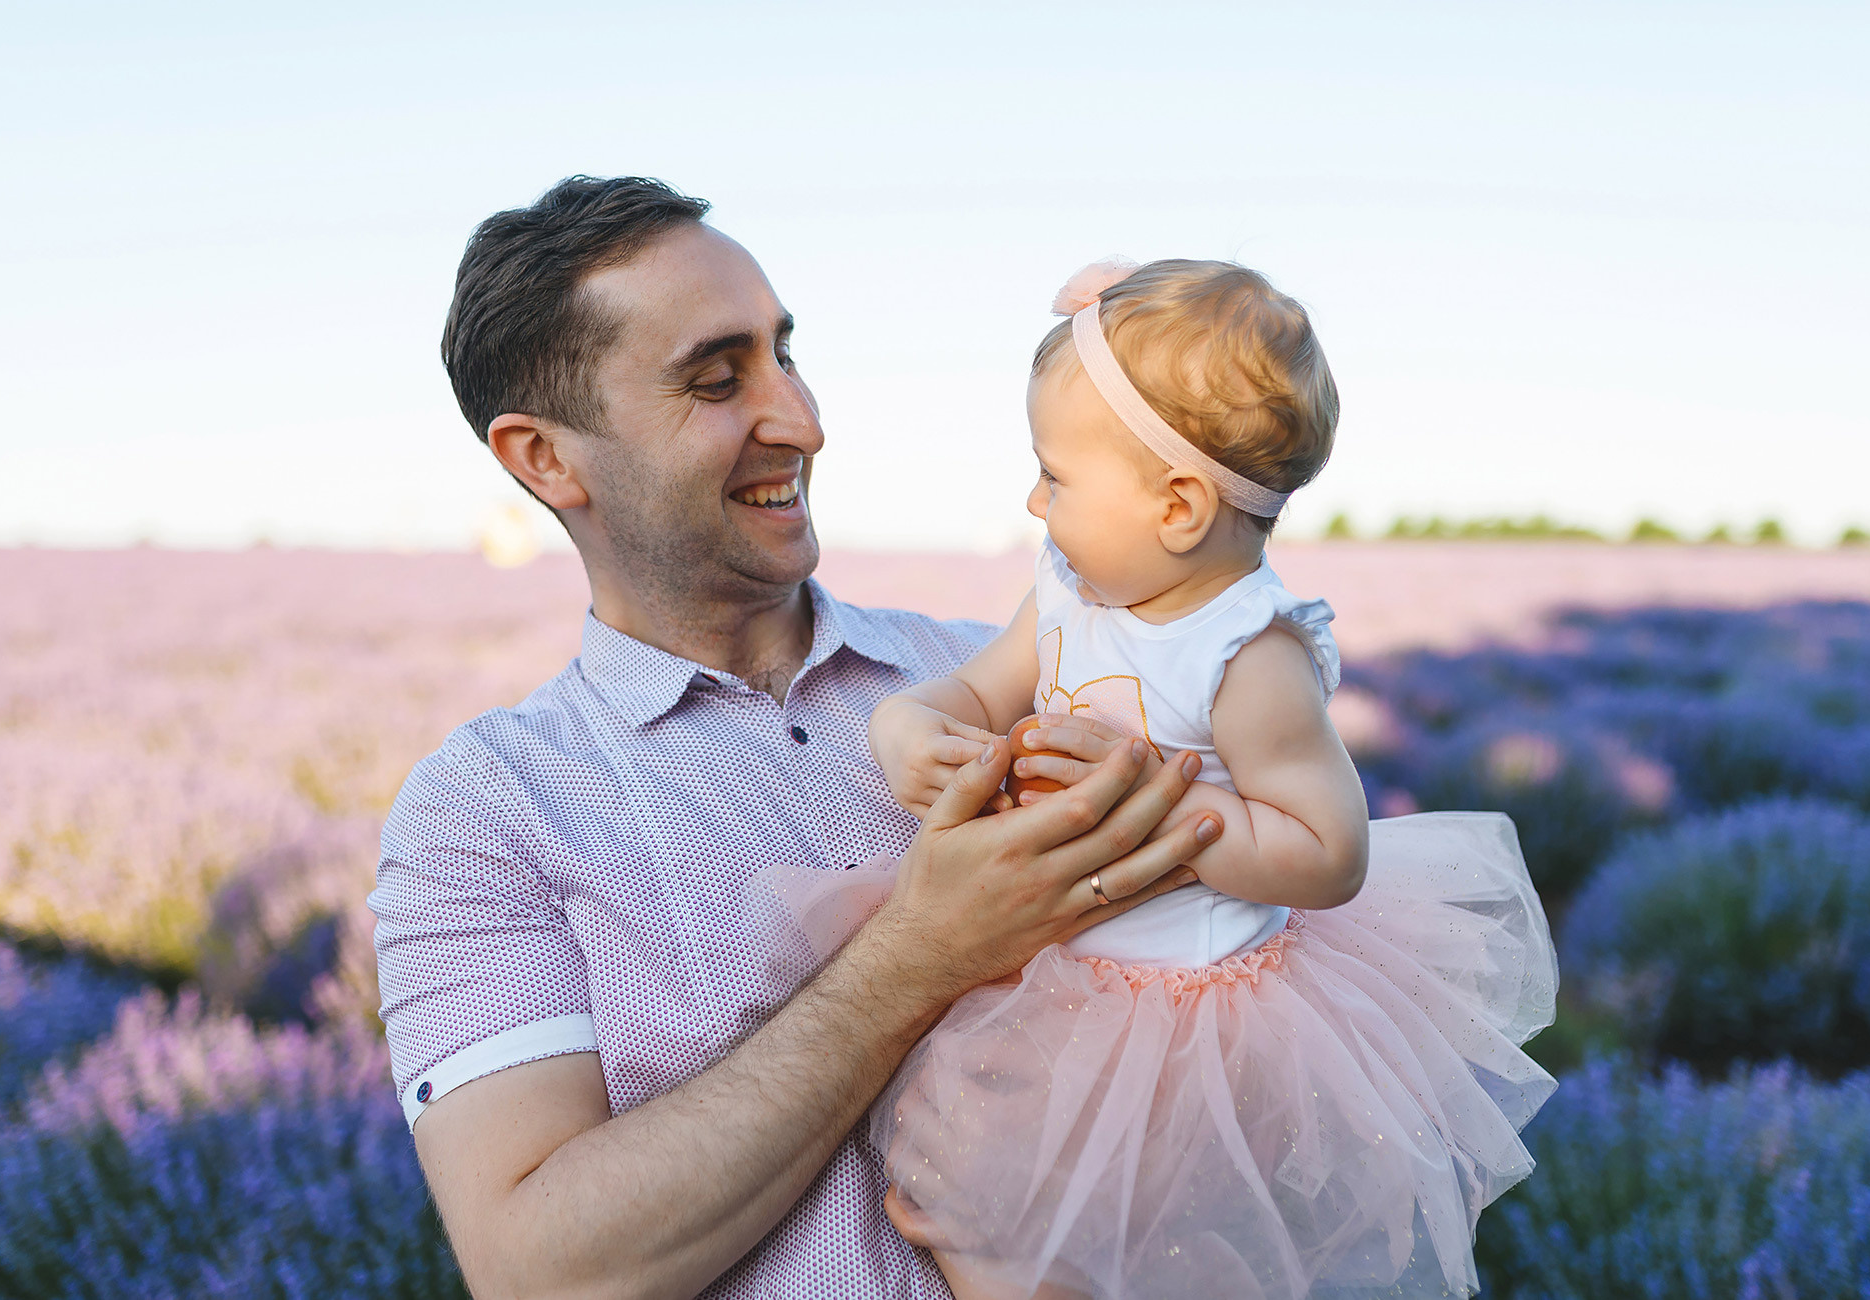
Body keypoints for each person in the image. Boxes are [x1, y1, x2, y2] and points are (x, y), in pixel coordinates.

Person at [368, 179, 1226, 1300]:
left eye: (786, 356)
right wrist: (919, 955)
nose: (803, 421)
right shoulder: (482, 818)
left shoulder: (1028, 677)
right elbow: (541, 1272)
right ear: (543, 461)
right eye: (717, 381)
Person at [756, 259, 1560, 1299]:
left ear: (1176, 505)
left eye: (1056, 473)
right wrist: (909, 726)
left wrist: (1163, 802)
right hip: (1050, 971)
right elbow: (972, 690)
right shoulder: (1063, 591)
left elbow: (1327, 849)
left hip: (1187, 1015)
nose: (1032, 497)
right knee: (972, 1196)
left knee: (1156, 1244)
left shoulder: (1242, 652)